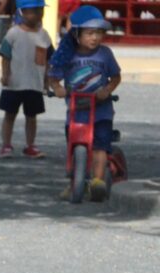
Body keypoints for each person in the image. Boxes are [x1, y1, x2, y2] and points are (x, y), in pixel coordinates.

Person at [47, 5, 121, 202]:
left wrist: (107, 90)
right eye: (89, 33)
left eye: (98, 33)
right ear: (77, 34)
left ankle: (97, 181)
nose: (95, 37)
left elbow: (115, 77)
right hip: (75, 111)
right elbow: (53, 77)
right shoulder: (67, 54)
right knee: (73, 146)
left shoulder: (105, 54)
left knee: (99, 145)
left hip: (101, 110)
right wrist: (58, 88)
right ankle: (74, 183)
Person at [0, 0, 51, 159]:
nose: (39, 14)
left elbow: (47, 59)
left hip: (34, 83)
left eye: (40, 10)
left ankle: (30, 145)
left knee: (32, 116)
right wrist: (5, 74)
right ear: (23, 12)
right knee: (9, 114)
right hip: (14, 83)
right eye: (34, 10)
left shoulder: (44, 35)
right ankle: (6, 144)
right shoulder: (13, 33)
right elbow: (5, 55)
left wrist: (47, 80)